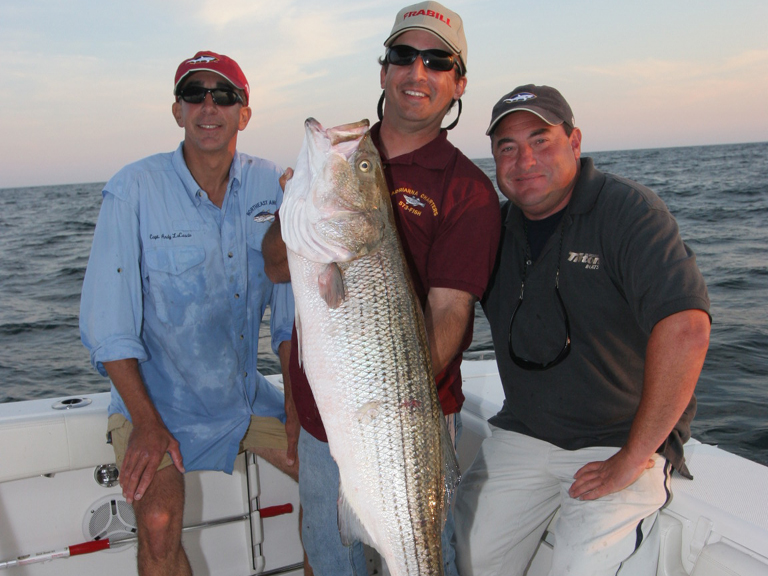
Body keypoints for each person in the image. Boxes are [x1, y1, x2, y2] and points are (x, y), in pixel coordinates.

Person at [262, 3, 501, 574]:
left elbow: (450, 309)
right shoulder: (344, 159)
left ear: (457, 82)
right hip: (325, 421)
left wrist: (392, 395)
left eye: (437, 61)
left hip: (409, 421)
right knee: (330, 555)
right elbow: (276, 265)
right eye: (403, 55)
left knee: (418, 553)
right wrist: (296, 209)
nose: (417, 72)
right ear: (384, 70)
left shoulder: (468, 191)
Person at [453, 84, 712, 576]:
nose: (524, 159)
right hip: (524, 432)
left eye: (540, 139)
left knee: (581, 566)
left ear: (574, 142)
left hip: (620, 440)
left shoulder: (630, 213)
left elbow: (686, 331)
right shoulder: (490, 230)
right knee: (463, 553)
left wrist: (633, 455)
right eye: (506, 146)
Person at [79, 51, 297, 576]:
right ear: (177, 111)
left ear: (244, 113)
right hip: (154, 403)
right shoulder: (133, 188)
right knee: (156, 522)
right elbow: (108, 328)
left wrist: (298, 415)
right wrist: (148, 423)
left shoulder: (274, 186)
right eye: (194, 94)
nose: (208, 106)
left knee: (332, 480)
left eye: (224, 96)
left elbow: (291, 317)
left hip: (245, 400)